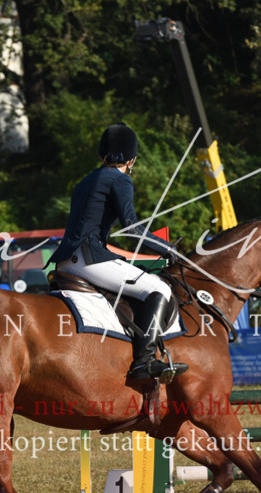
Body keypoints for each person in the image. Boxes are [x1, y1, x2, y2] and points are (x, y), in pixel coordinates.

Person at [51, 123, 188, 380]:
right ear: (132, 159)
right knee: (159, 289)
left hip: (66, 262)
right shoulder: (120, 179)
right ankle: (144, 362)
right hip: (89, 259)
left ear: (102, 154)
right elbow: (132, 229)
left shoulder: (84, 181)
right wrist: (168, 250)